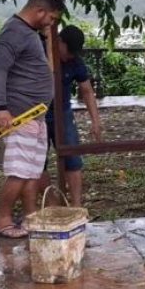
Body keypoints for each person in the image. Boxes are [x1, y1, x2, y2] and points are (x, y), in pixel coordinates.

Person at [0, 0, 65, 238]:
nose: (51, 24)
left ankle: (30, 217)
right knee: (19, 172)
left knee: (33, 171)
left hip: (36, 116)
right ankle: (2, 219)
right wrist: (0, 108)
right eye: (51, 18)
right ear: (39, 11)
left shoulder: (30, 34)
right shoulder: (14, 31)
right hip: (19, 116)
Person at [39, 25, 102, 207]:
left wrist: (96, 121)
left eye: (75, 52)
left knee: (73, 159)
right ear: (59, 42)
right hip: (37, 114)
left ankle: (76, 205)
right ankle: (52, 204)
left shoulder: (75, 62)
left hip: (63, 112)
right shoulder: (38, 51)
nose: (71, 56)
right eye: (69, 51)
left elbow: (87, 91)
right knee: (37, 162)